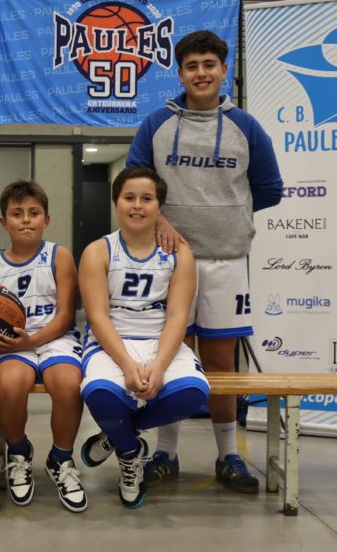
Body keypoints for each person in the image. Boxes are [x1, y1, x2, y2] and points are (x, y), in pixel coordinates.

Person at [104, 30, 283, 493]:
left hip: (226, 261)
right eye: (192, 66)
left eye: (209, 65)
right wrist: (161, 218)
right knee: (171, 355)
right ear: (180, 74)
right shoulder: (156, 124)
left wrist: (228, 217)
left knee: (221, 363)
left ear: (224, 71)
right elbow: (137, 180)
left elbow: (270, 189)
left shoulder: (246, 127)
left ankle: (228, 455)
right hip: (168, 259)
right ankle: (166, 452)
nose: (201, 73)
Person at [78, 167, 209, 508]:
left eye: (147, 199)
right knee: (98, 394)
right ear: (116, 203)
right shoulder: (97, 251)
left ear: (159, 207)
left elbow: (178, 316)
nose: (137, 205)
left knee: (194, 393)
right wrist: (127, 363)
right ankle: (130, 451)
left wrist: (160, 365)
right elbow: (97, 317)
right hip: (112, 342)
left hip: (160, 340)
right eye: (129, 198)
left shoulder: (180, 254)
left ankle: (117, 434)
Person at [0, 180, 87, 512]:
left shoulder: (60, 256)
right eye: (17, 214)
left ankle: (61, 458)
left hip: (54, 337)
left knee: (69, 384)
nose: (26, 220)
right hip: (13, 343)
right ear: (4, 222)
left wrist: (32, 340)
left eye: (34, 213)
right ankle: (19, 451)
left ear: (47, 219)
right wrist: (14, 340)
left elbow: (66, 315)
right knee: (10, 383)